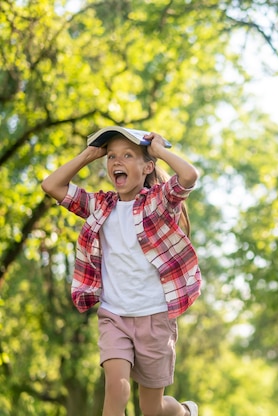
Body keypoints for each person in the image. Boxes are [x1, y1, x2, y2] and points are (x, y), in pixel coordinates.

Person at [41, 129, 201, 416]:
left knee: (152, 410)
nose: (117, 161)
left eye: (128, 155)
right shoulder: (100, 206)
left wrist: (160, 150)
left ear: (147, 166)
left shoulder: (157, 202)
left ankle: (183, 412)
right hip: (114, 316)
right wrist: (89, 154)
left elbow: (188, 177)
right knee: (117, 389)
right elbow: (52, 185)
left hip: (154, 318)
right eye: (112, 156)